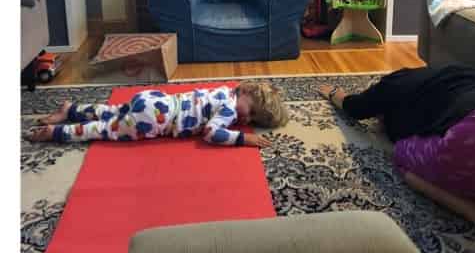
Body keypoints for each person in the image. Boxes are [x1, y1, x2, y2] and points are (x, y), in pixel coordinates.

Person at [318, 65, 475, 244]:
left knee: (402, 152)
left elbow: (355, 108)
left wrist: (335, 93)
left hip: (474, 141)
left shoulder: (398, 82)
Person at [26, 81, 286, 146]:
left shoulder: (225, 91)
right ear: (246, 93)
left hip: (156, 99)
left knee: (115, 111)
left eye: (252, 121)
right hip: (158, 119)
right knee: (108, 130)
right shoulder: (229, 109)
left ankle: (71, 109)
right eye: (250, 112)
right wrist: (243, 139)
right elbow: (211, 133)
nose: (246, 120)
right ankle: (58, 132)